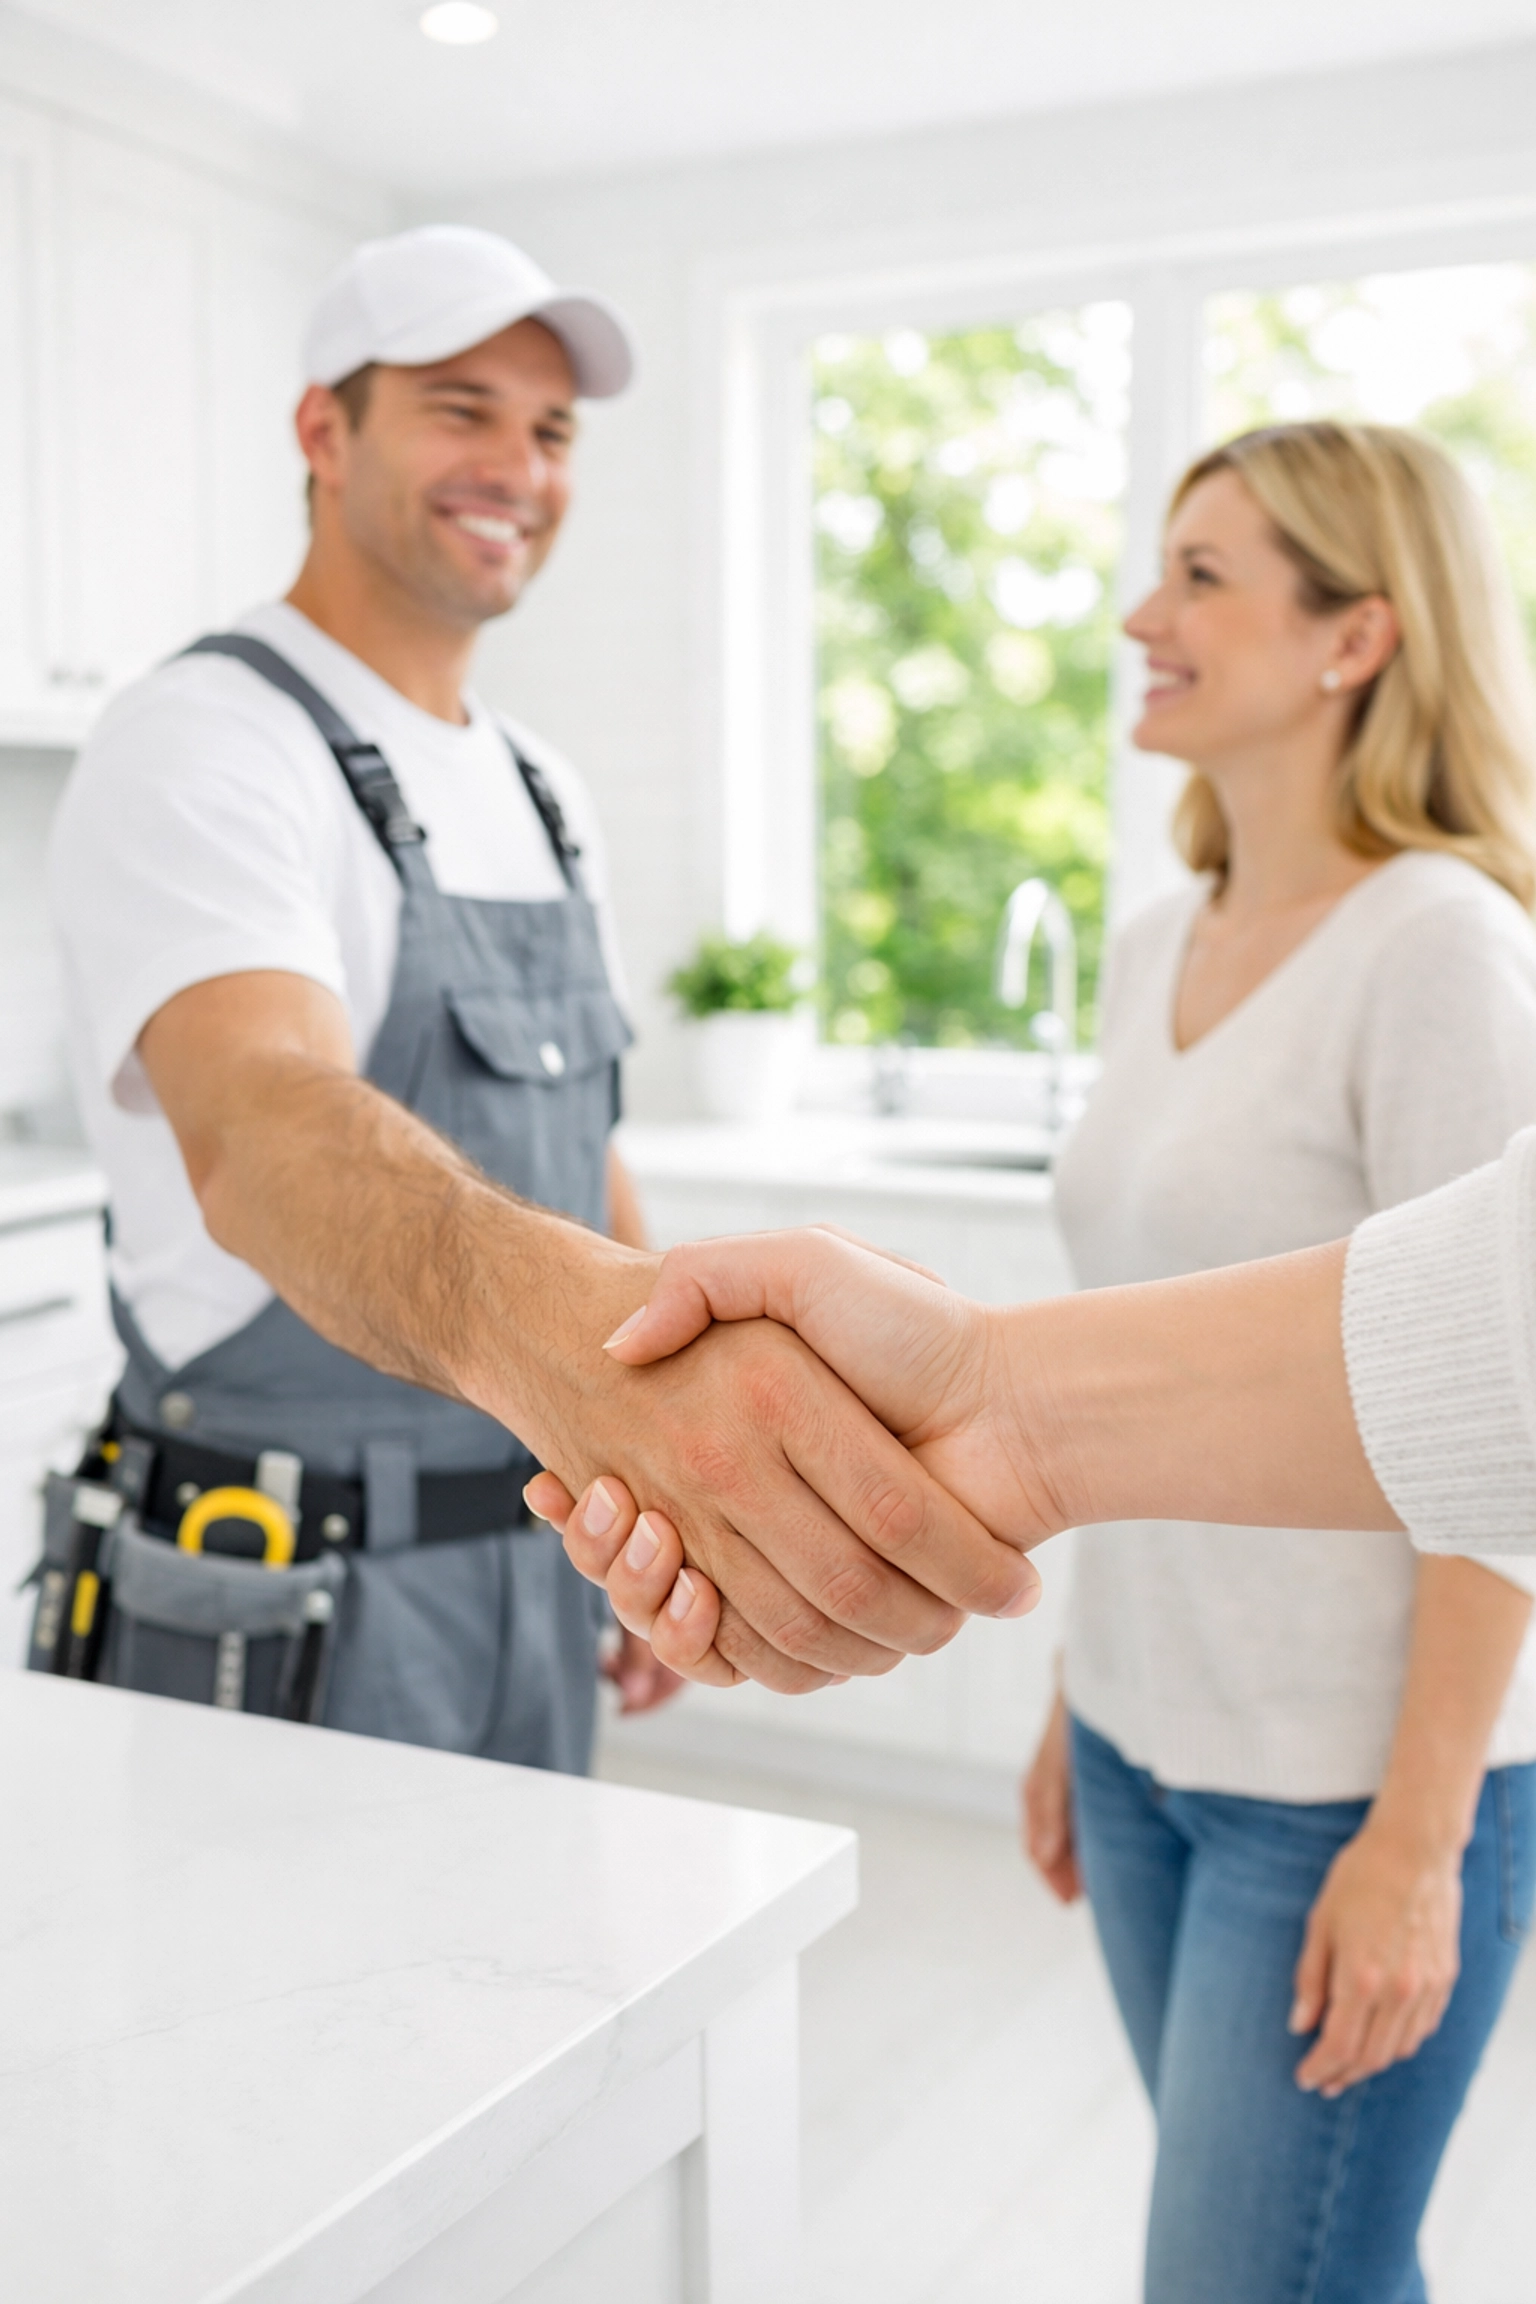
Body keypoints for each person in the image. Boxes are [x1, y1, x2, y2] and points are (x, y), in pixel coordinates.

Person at [539, 423, 1536, 2296]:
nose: (1141, 616)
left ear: (1357, 639)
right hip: (1153, 1750)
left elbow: (1513, 1407)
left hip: (1350, 1787)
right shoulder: (1166, 934)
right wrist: (1086, 1696)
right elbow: (1146, 1374)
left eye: (1207, 578)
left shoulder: (1444, 954)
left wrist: (1421, 1838)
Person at [46, 224, 1038, 1770]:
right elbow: (270, 1133)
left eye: (553, 429)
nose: (517, 462)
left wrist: (650, 1523)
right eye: (461, 407)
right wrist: (614, 1398)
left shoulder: (540, 784)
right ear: (325, 429)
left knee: (522, 2007)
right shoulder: (204, 739)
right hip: (279, 1582)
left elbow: (586, 1154)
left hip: (533, 1551)